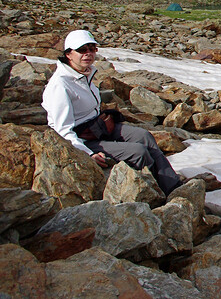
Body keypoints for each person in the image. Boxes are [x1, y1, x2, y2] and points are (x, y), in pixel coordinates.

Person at [42, 30, 182, 195]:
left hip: (96, 128)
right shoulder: (60, 85)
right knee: (138, 152)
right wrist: (87, 154)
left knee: (144, 136)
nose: (88, 53)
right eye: (82, 50)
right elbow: (62, 129)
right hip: (81, 137)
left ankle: (173, 186)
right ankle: (155, 193)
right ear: (68, 54)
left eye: (92, 48)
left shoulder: (83, 74)